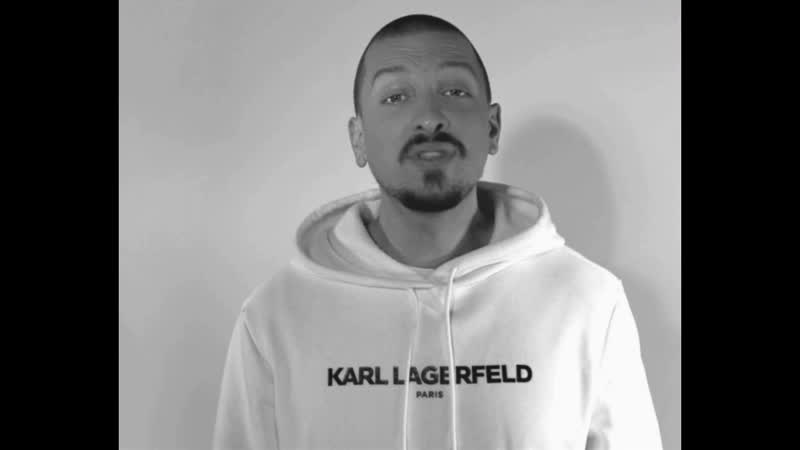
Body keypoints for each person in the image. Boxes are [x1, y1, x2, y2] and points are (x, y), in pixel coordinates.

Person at [212, 13, 663, 450]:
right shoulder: (275, 318)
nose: (429, 118)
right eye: (395, 96)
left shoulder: (589, 304)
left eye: (454, 91)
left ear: (492, 127)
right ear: (358, 139)